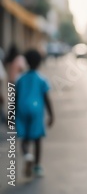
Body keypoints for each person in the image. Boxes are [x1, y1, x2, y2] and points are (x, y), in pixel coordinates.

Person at [16, 49, 54, 178]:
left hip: (22, 109)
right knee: (37, 139)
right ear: (39, 63)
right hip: (36, 110)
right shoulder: (42, 79)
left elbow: (14, 97)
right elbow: (46, 98)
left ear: (26, 62)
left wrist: (11, 113)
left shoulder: (20, 79)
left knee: (25, 139)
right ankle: (37, 166)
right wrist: (51, 115)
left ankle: (27, 155)